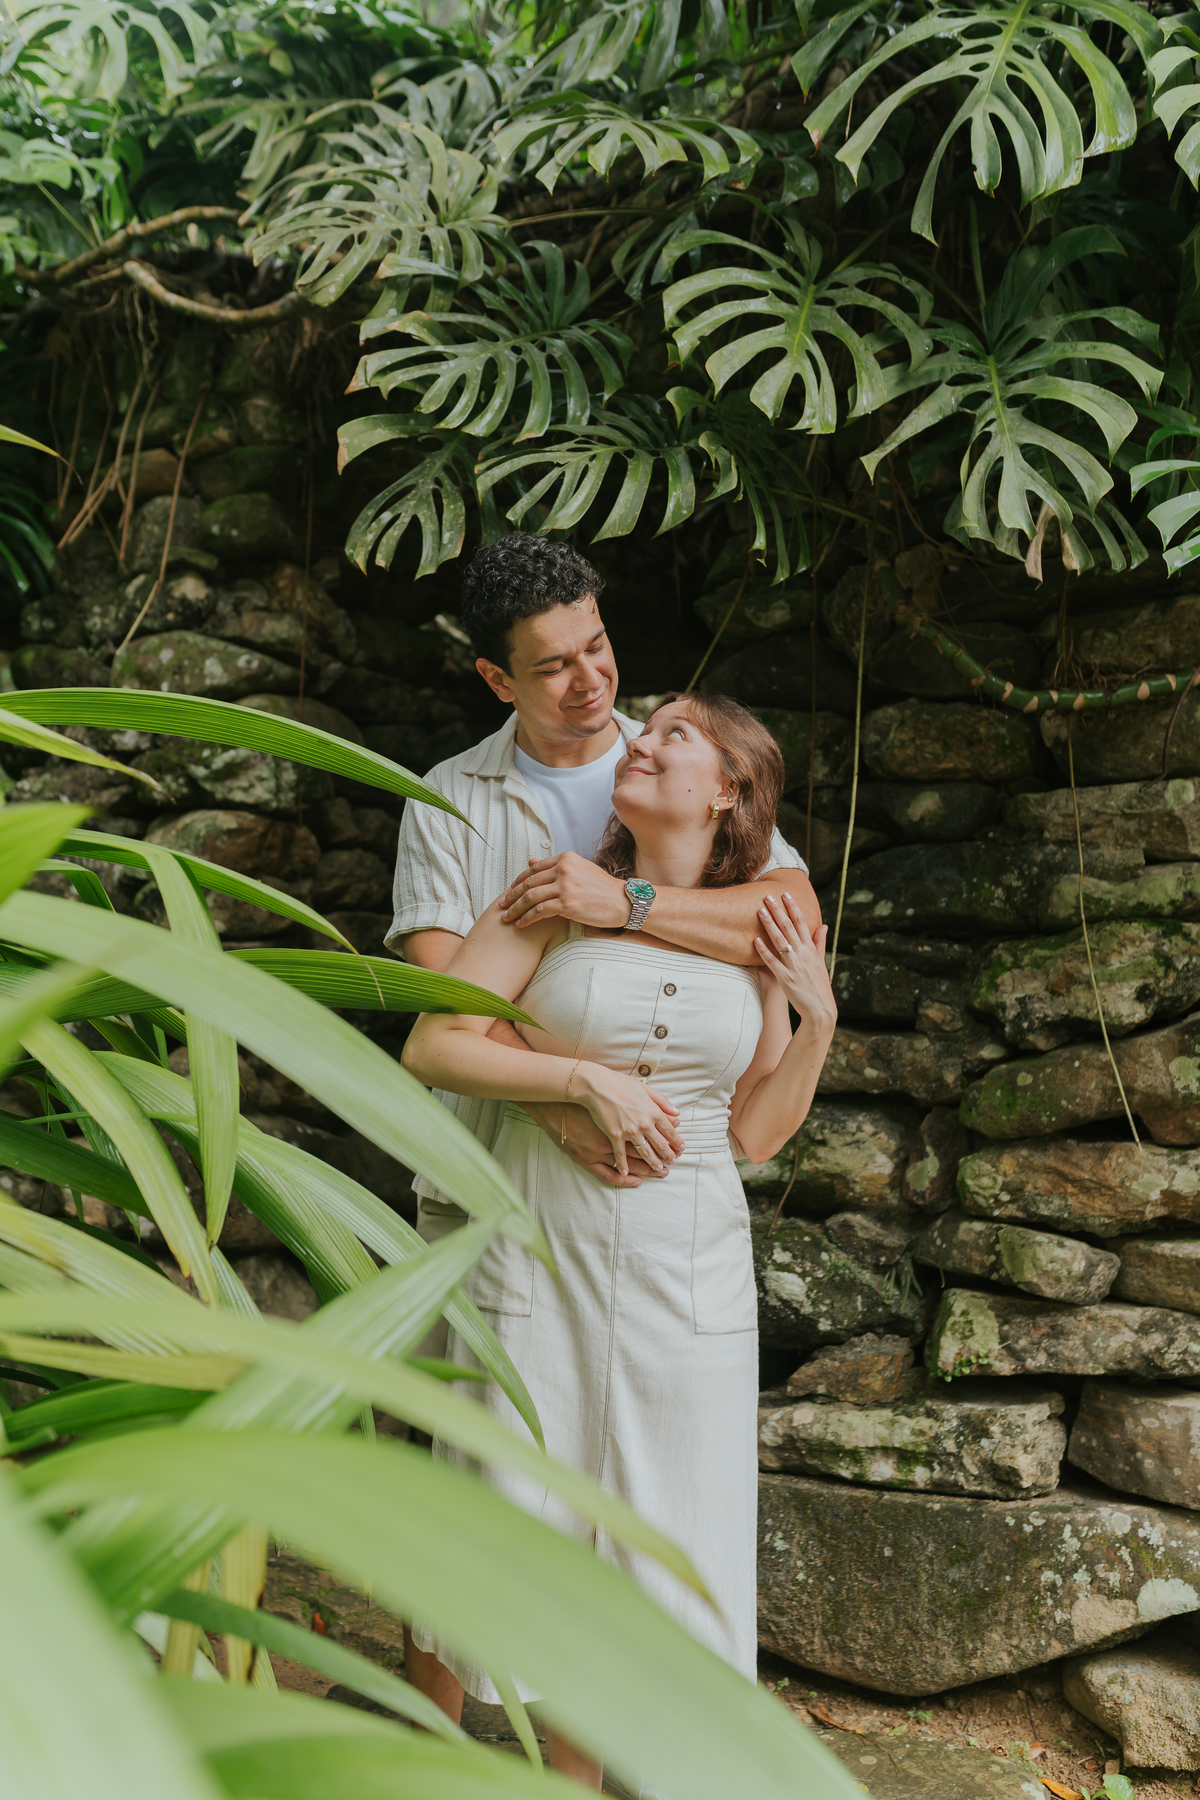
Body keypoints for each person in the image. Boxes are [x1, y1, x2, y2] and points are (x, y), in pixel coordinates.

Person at [402, 690, 838, 1790]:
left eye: (674, 733)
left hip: (688, 1274)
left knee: (658, 1540)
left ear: (730, 787)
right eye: (646, 728)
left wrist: (817, 1021)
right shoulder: (550, 893)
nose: (639, 739)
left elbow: (754, 1129)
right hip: (542, 1245)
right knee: (536, 1520)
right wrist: (577, 1080)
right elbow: (435, 1042)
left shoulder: (758, 930)